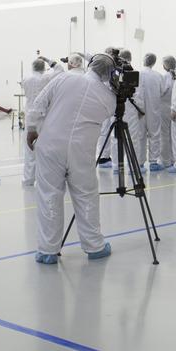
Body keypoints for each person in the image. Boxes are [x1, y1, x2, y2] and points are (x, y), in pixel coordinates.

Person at [26, 52, 116, 264]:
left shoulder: (65, 78)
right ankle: (94, 246)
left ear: (90, 65)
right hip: (81, 151)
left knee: (49, 195)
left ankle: (48, 250)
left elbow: (38, 105)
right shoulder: (109, 98)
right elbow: (104, 114)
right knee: (86, 195)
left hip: (50, 145)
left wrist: (31, 129)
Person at [21, 57, 61, 186]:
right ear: (44, 67)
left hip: (30, 116)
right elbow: (60, 70)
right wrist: (48, 59)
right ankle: (44, 180)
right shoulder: (48, 78)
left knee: (29, 149)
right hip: (44, 116)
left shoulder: (26, 79)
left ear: (33, 67)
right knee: (45, 148)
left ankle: (28, 179)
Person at [139, 54, 169, 170]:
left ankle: (140, 162)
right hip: (154, 109)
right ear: (154, 62)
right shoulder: (158, 76)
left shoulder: (138, 74)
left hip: (139, 110)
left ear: (144, 61)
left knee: (140, 135)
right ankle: (153, 162)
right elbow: (163, 91)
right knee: (154, 134)